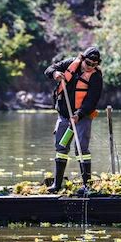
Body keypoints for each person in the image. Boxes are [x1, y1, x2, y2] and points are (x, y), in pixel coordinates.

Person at [44, 46, 103, 195]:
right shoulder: (70, 63)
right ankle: (57, 184)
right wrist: (55, 73)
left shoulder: (96, 77)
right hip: (64, 115)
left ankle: (87, 185)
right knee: (61, 147)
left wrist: (79, 115)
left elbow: (92, 101)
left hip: (82, 117)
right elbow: (49, 69)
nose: (90, 67)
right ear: (83, 59)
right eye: (88, 63)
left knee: (82, 149)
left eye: (94, 65)